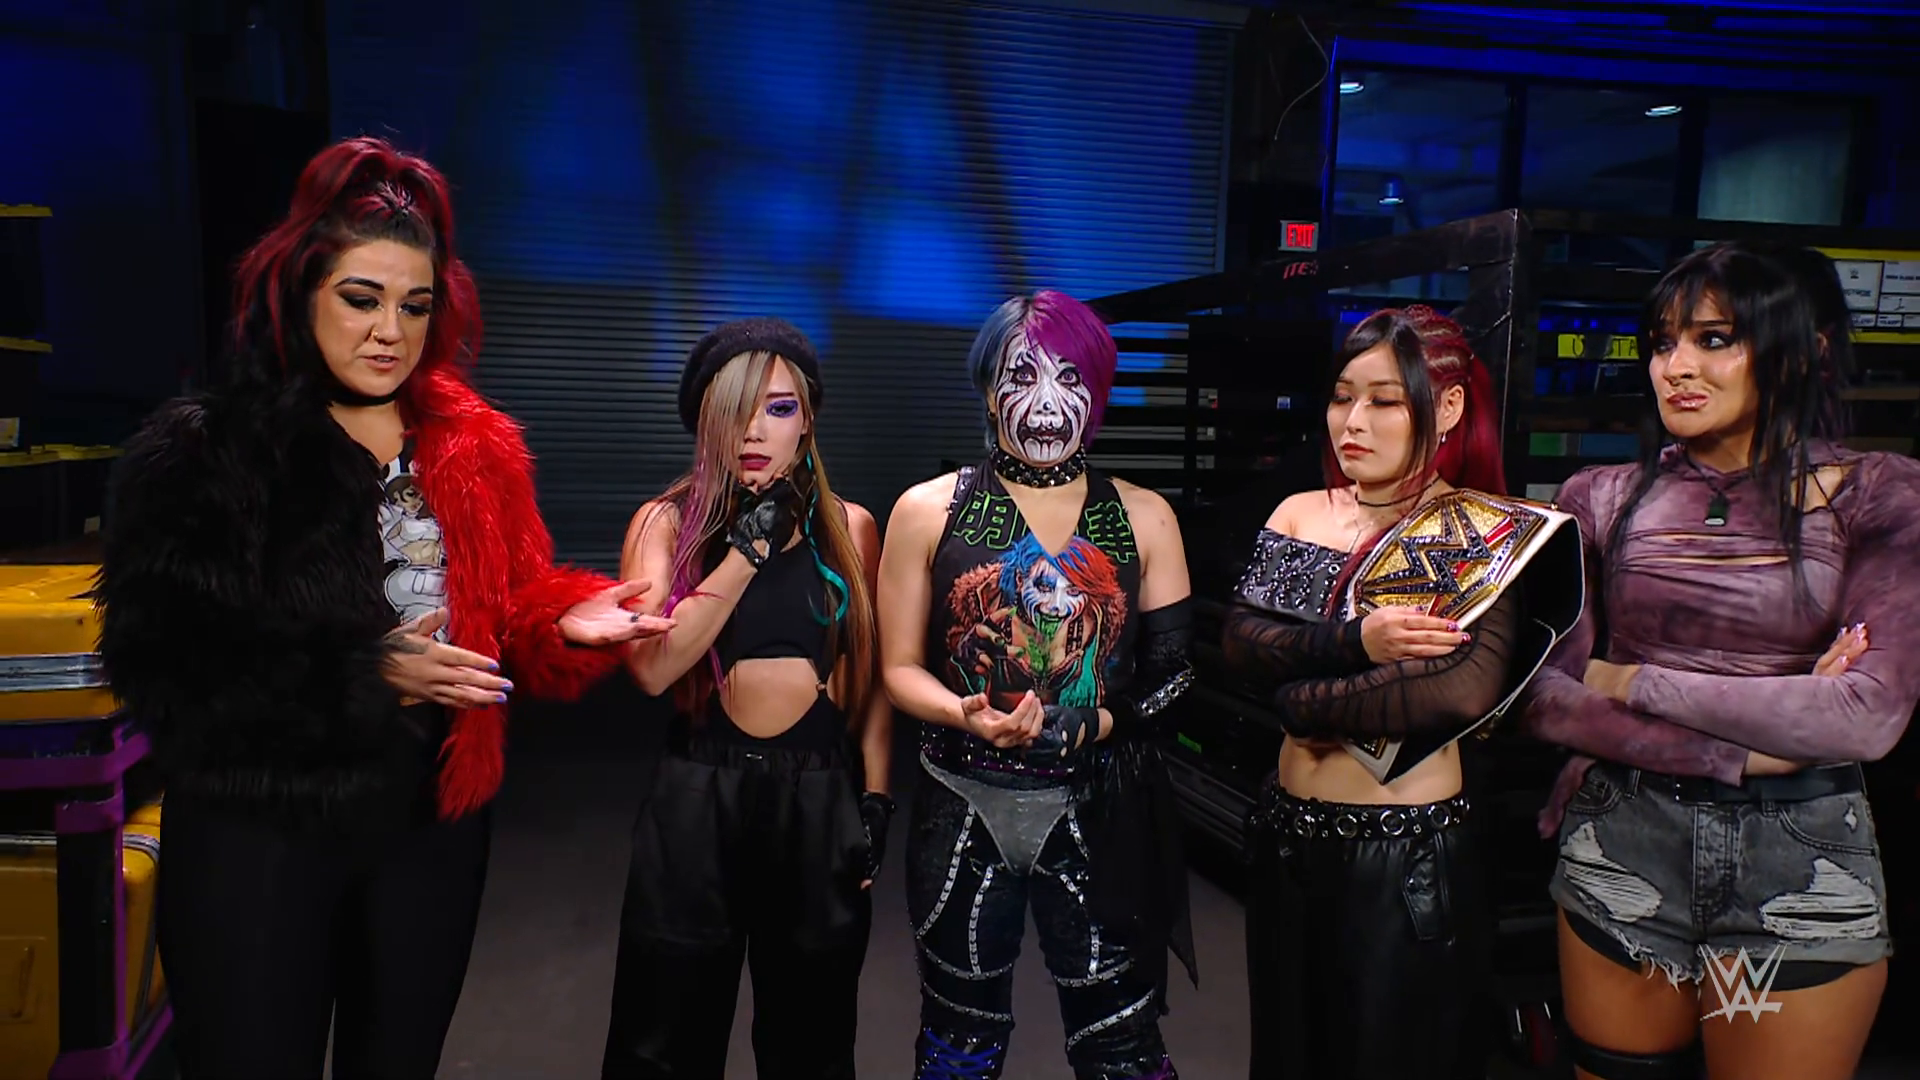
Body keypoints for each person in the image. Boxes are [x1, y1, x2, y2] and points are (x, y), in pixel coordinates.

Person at [93, 136, 667, 1078]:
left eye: (414, 305)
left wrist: (560, 616)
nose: (388, 331)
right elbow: (165, 660)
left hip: (428, 823)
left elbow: (506, 603)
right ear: (301, 293)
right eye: (361, 300)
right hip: (261, 825)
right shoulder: (210, 447)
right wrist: (361, 671)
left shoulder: (473, 444)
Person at [1518, 241, 1920, 1080]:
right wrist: (1754, 741)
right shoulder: (1600, 496)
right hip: (1624, 835)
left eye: (1713, 340)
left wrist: (1630, 680)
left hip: (1798, 859)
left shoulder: (1878, 492)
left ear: (1799, 351)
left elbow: (1865, 714)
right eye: (1662, 343)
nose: (1676, 367)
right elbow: (1546, 695)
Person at [1219, 305, 1583, 1080]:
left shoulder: (1483, 533)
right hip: (1285, 836)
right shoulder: (1303, 513)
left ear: (1446, 407)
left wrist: (1299, 703)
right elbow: (1242, 645)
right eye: (1342, 397)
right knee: (1287, 1055)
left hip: (1404, 850)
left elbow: (1456, 690)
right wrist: (1358, 643)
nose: (1353, 421)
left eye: (1384, 401)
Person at [877, 290, 1196, 1080]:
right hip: (961, 800)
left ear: (1099, 393)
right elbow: (897, 669)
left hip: (1098, 808)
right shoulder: (928, 511)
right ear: (989, 391)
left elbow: (1175, 675)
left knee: (1122, 1042)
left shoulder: (1144, 517)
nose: (1048, 403)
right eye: (1022, 376)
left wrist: (1095, 724)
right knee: (957, 1039)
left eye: (1071, 377)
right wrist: (963, 712)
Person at [600, 317, 892, 1080]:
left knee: (812, 1043)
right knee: (661, 1037)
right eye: (733, 411)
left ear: (809, 420)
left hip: (818, 794)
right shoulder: (666, 524)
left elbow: (870, 685)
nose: (754, 431)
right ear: (706, 424)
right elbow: (653, 670)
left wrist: (874, 799)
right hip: (700, 794)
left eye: (779, 408)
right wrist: (746, 551)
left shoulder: (851, 528)